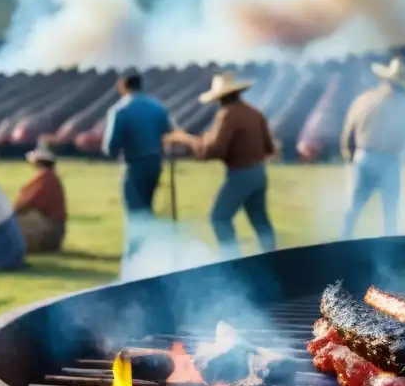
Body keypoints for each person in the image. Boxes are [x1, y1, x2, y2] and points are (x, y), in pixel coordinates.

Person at [166, 72, 277, 258]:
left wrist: (185, 139)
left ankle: (232, 259)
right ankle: (274, 259)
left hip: (241, 174)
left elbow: (213, 150)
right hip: (259, 173)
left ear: (220, 97)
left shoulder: (227, 114)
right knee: (260, 220)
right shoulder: (255, 113)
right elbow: (269, 147)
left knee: (219, 217)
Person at [339, 56, 405, 238]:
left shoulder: (363, 99)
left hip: (363, 157)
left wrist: (350, 156)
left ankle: (342, 241)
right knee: (390, 211)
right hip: (389, 160)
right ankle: (388, 247)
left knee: (353, 207)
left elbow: (347, 133)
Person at [102, 72, 173, 260]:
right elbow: (169, 133)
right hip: (155, 164)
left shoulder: (120, 110)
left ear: (122, 86)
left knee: (134, 214)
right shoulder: (157, 107)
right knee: (147, 211)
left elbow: (110, 147)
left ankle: (134, 259)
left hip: (134, 165)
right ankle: (152, 254)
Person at [14, 144, 68, 253]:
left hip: (48, 231)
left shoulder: (44, 178)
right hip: (55, 232)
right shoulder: (51, 177)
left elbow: (24, 204)